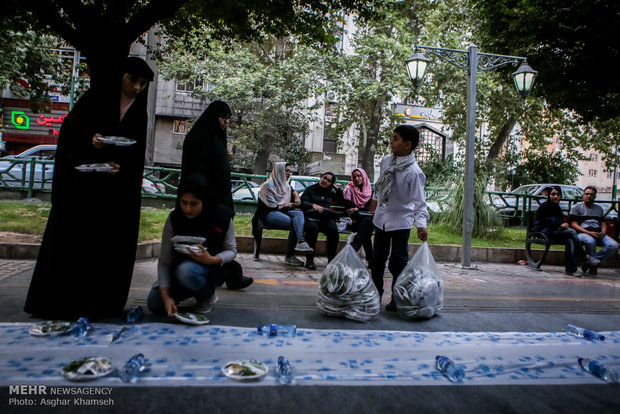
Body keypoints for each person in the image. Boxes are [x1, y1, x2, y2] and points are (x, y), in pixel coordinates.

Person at [24, 57, 154, 319]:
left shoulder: (139, 110)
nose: (137, 88)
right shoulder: (94, 100)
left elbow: (136, 151)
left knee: (106, 248)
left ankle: (101, 302)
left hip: (115, 193)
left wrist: (123, 170)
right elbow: (69, 139)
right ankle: (63, 302)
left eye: (142, 83)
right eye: (133, 80)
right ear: (121, 76)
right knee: (75, 245)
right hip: (82, 190)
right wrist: (91, 144)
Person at [148, 175, 244, 316]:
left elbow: (231, 250)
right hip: (178, 266)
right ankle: (186, 289)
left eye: (194, 204)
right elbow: (164, 260)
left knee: (186, 271)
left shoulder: (221, 217)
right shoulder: (175, 218)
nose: (187, 208)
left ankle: (206, 296)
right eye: (184, 202)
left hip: (207, 269)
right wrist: (166, 296)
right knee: (155, 304)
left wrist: (211, 260)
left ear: (204, 201)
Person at [180, 100, 252, 290]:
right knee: (212, 239)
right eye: (223, 117)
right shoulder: (201, 137)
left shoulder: (215, 137)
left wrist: (224, 157)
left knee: (215, 239)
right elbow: (201, 167)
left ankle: (231, 274)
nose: (226, 122)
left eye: (228, 118)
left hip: (217, 198)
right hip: (205, 199)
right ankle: (228, 275)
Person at [370, 125, 429, 312]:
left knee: (398, 261)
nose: (391, 142)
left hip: (401, 221)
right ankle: (374, 294)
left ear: (407, 144)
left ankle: (396, 297)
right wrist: (374, 199)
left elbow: (419, 202)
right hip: (381, 219)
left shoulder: (414, 172)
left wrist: (421, 225)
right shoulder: (387, 161)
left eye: (395, 138)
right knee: (377, 259)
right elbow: (380, 185)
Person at [255, 162, 313, 266]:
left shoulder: (285, 185)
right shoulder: (268, 185)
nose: (289, 173)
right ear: (279, 171)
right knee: (295, 224)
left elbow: (292, 191)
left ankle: (301, 242)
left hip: (283, 211)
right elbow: (273, 206)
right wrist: (286, 205)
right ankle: (290, 256)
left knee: (299, 215)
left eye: (290, 171)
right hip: (269, 213)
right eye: (286, 171)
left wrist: (296, 196)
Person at [534, 186, 600, 277]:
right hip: (544, 233)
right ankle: (585, 256)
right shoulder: (544, 207)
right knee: (572, 232)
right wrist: (558, 225)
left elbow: (560, 221)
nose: (555, 196)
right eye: (553, 194)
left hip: (555, 232)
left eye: (558, 194)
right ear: (549, 196)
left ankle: (571, 269)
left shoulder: (557, 207)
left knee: (570, 240)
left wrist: (564, 224)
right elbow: (542, 223)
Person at [300, 172, 345, 270]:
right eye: (324, 178)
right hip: (312, 217)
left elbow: (342, 200)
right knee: (312, 228)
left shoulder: (330, 193)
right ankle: (310, 260)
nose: (325, 181)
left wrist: (337, 188)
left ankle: (331, 261)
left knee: (333, 230)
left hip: (325, 218)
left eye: (329, 181)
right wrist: (313, 205)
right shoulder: (311, 189)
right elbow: (303, 202)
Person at [570, 186, 619, 275]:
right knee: (590, 241)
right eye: (587, 194)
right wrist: (589, 233)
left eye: (591, 195)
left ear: (595, 197)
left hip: (598, 232)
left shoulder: (599, 208)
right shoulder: (576, 207)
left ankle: (590, 262)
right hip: (583, 232)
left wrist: (603, 232)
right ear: (583, 195)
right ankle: (593, 266)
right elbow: (574, 225)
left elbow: (603, 223)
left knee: (614, 245)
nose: (589, 196)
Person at [343, 168, 374, 265]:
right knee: (366, 230)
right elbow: (349, 209)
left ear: (364, 176)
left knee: (366, 222)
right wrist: (360, 211)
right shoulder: (349, 190)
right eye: (354, 176)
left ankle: (352, 249)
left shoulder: (370, 191)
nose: (357, 178)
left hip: (366, 220)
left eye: (359, 176)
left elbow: (371, 208)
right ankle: (370, 259)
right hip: (355, 221)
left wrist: (358, 209)